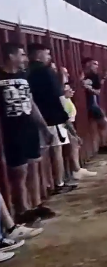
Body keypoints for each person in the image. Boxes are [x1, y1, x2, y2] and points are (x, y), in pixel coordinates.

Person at [0, 42, 56, 225]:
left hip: (29, 127)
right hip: (11, 130)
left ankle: (35, 204)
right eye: (21, 54)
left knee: (33, 166)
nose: (25, 58)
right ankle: (22, 210)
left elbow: (31, 104)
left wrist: (43, 127)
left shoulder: (24, 76)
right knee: (19, 172)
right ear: (11, 56)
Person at [27, 44, 77, 195]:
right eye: (46, 54)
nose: (49, 57)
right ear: (38, 55)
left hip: (36, 118)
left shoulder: (27, 72)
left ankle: (47, 184)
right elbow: (58, 97)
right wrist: (66, 119)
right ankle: (59, 183)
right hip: (52, 118)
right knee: (56, 151)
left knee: (42, 154)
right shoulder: (46, 72)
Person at [82, 58, 107, 155]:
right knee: (104, 122)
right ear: (88, 64)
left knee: (102, 123)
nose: (96, 66)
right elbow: (97, 91)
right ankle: (103, 145)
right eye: (94, 64)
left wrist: (89, 87)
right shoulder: (91, 75)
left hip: (92, 103)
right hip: (92, 103)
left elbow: (97, 88)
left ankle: (102, 145)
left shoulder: (92, 75)